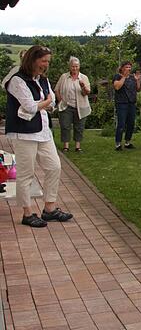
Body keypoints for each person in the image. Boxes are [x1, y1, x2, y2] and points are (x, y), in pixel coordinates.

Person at [5, 45, 72, 227]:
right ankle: (27, 213)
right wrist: (46, 102)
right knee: (26, 174)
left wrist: (45, 103)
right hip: (24, 133)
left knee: (54, 167)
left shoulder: (42, 79)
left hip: (43, 131)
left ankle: (49, 209)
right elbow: (30, 106)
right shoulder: (17, 80)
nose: (46, 64)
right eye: (44, 61)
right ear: (33, 60)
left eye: (48, 61)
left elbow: (51, 103)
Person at [54, 57, 91, 152]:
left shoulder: (84, 78)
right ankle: (66, 146)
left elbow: (87, 93)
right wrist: (60, 101)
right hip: (66, 106)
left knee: (79, 127)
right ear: (69, 67)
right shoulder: (64, 77)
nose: (74, 68)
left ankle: (77, 146)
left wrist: (83, 87)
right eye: (72, 66)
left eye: (76, 66)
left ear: (79, 67)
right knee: (65, 126)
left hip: (80, 106)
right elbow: (56, 89)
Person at [113, 61, 139, 150]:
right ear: (122, 68)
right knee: (121, 124)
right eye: (127, 67)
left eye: (129, 67)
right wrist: (123, 77)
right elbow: (117, 87)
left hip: (131, 103)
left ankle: (128, 142)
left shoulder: (132, 77)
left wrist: (137, 80)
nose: (129, 69)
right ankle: (118, 144)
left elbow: (138, 89)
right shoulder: (117, 76)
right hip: (121, 103)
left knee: (131, 123)